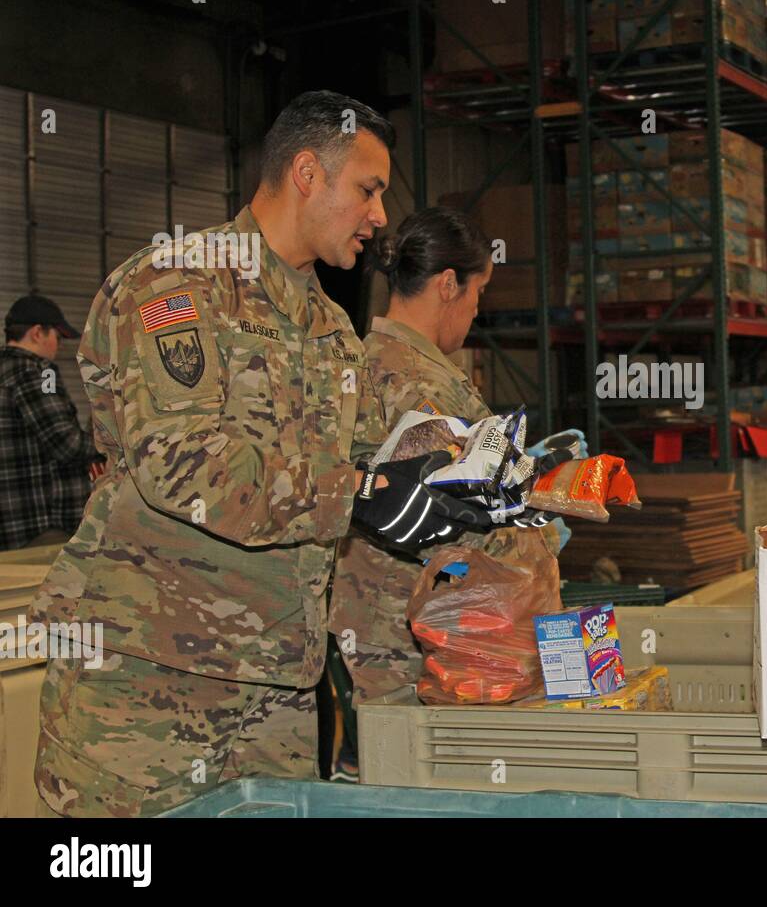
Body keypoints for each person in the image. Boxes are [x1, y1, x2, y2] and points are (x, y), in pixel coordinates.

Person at [26, 91, 511, 817]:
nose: (380, 217)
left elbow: (361, 449)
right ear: (308, 173)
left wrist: (460, 471)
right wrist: (364, 491)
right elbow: (184, 465)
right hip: (149, 679)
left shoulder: (326, 324)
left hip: (276, 687)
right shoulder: (178, 284)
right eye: (369, 190)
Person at [329, 206, 580, 759]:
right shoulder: (415, 381)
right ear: (448, 285)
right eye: (477, 292)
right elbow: (452, 516)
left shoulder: (371, 360)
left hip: (397, 620)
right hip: (418, 629)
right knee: (421, 771)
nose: (475, 309)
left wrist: (527, 480)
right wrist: (533, 524)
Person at [1, 295, 100, 550]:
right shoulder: (39, 371)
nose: (58, 346)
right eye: (57, 336)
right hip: (43, 525)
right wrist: (109, 447)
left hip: (12, 524)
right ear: (37, 333)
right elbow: (65, 443)